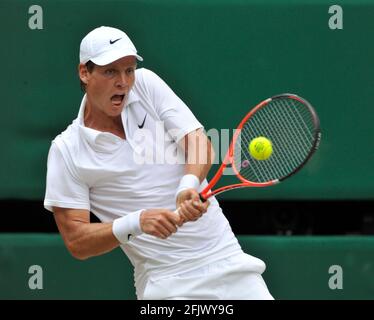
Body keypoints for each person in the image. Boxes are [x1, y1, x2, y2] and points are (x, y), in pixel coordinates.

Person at [44, 26, 273, 300]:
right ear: (84, 72)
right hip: (165, 283)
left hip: (227, 260)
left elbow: (199, 143)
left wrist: (187, 186)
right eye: (110, 72)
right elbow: (77, 240)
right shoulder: (66, 151)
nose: (123, 82)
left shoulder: (147, 84)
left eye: (128, 70)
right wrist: (137, 222)